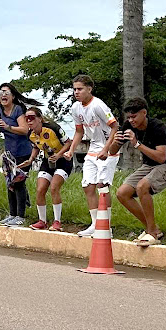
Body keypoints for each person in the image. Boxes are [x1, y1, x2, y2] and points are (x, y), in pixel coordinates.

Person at [111, 98, 166, 246]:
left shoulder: (157, 127)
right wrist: (115, 142)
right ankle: (153, 228)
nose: (131, 120)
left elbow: (161, 157)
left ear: (144, 113)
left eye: (134, 116)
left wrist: (137, 144)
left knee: (142, 186)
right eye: (129, 117)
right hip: (149, 165)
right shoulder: (128, 125)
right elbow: (111, 152)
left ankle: (152, 233)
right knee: (122, 193)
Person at [63, 74, 119, 237]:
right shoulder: (76, 108)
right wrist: (71, 149)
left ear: (89, 88)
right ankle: (95, 223)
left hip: (108, 149)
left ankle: (106, 226)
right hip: (93, 149)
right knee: (88, 185)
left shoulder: (98, 106)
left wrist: (106, 150)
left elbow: (115, 127)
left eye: (80, 89)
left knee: (103, 186)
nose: (76, 92)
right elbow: (79, 131)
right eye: (74, 89)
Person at [0, 83, 41, 226]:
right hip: (9, 153)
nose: (3, 95)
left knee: (18, 183)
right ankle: (12, 215)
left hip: (23, 151)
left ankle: (21, 216)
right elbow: (0, 130)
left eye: (6, 92)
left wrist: (8, 127)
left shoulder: (18, 109)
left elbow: (25, 130)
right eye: (1, 93)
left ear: (13, 96)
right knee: (10, 184)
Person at [19, 107, 72, 231]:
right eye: (26, 119)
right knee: (40, 189)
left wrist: (59, 155)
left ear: (40, 119)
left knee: (54, 187)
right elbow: (36, 147)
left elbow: (68, 143)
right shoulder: (30, 134)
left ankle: (57, 222)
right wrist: (31, 159)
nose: (29, 121)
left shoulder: (53, 128)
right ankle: (42, 221)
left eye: (32, 118)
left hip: (63, 160)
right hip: (47, 160)